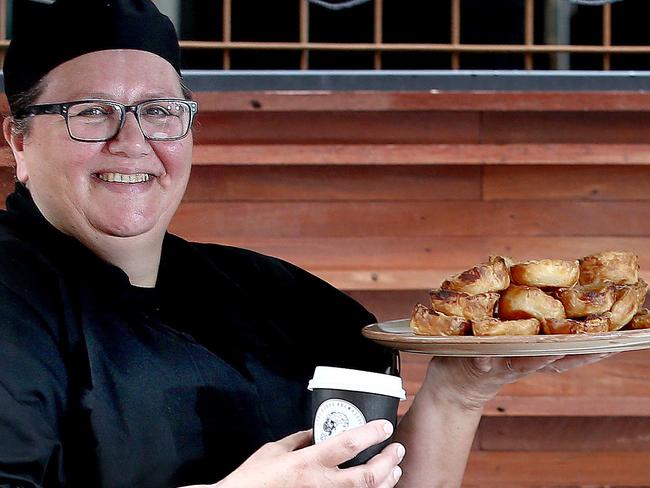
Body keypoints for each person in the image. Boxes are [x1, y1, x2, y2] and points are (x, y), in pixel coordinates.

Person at [0, 1, 612, 487]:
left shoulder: (285, 299)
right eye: (91, 112)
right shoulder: (13, 302)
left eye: (159, 111)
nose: (132, 142)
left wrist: (459, 391)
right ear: (19, 142)